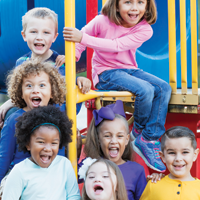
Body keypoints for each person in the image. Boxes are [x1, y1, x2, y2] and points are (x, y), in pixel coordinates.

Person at [63, 0, 172, 172]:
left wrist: (82, 38)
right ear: (117, 5)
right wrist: (73, 56)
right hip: (106, 73)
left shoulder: (145, 29)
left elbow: (117, 46)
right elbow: (80, 39)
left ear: (148, 6)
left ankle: (148, 138)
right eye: (128, 2)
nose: (134, 7)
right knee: (145, 90)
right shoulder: (102, 21)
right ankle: (138, 132)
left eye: (140, 2)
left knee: (163, 88)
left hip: (130, 69)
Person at [0, 7, 91, 128]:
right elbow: (19, 94)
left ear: (54, 37)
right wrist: (8, 103)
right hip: (29, 114)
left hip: (51, 120)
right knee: (9, 114)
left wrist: (78, 79)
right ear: (24, 35)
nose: (39, 37)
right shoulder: (22, 63)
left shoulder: (59, 63)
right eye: (33, 32)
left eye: (46, 32)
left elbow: (66, 86)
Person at [0, 61, 66, 195]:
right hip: (18, 178)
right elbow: (4, 157)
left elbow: (60, 155)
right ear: (21, 92)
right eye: (29, 85)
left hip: (48, 177)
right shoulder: (14, 120)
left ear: (52, 91)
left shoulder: (57, 119)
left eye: (42, 85)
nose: (35, 90)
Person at [79, 100, 162, 200]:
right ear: (98, 139)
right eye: (107, 136)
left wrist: (156, 181)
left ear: (127, 139)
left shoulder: (137, 170)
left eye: (119, 136)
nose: (114, 141)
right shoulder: (89, 165)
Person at [2, 105, 80, 200]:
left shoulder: (64, 165)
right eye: (41, 142)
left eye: (54, 143)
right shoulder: (19, 171)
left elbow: (74, 196)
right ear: (28, 144)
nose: (47, 149)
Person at [140, 126, 200, 200]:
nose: (178, 159)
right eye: (172, 152)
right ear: (163, 156)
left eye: (185, 152)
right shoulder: (153, 185)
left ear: (195, 155)